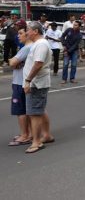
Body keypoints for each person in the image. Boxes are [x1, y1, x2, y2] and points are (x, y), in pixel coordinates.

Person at [23, 21, 54, 154]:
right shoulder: (38, 44)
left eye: (28, 30)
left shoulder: (41, 44)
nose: (26, 33)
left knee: (34, 113)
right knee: (39, 110)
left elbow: (38, 63)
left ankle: (37, 141)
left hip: (36, 83)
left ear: (35, 31)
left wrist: (28, 80)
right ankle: (46, 135)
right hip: (36, 82)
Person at [8, 26, 32, 146]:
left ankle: (24, 135)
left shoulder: (26, 48)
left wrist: (12, 61)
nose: (18, 36)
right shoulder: (31, 47)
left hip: (19, 82)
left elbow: (12, 62)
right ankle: (28, 133)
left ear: (27, 35)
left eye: (20, 33)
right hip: (24, 81)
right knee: (26, 109)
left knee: (20, 110)